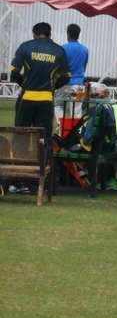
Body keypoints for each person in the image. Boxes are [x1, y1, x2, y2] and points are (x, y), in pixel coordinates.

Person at [9, 22, 70, 194]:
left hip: (27, 99)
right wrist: (51, 87)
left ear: (35, 34)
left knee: (21, 139)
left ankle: (19, 181)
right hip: (46, 100)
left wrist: (25, 85)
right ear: (50, 35)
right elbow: (66, 77)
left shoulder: (26, 47)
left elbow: (14, 73)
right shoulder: (59, 51)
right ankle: (39, 184)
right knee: (43, 141)